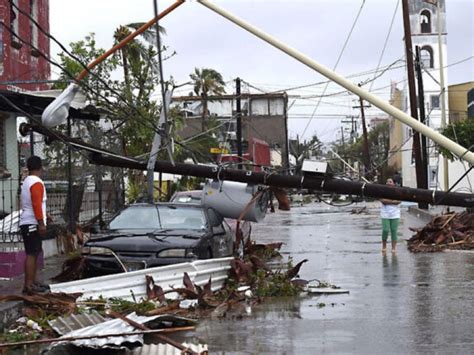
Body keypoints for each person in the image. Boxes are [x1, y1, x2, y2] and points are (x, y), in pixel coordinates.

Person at [19, 156, 50, 294]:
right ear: (40, 167)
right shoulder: (36, 182)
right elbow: (36, 203)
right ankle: (29, 285)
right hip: (32, 223)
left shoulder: (27, 181)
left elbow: (34, 203)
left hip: (28, 221)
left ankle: (33, 281)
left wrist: (45, 215)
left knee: (35, 252)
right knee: (32, 253)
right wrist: (41, 223)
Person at [380, 178, 401, 254]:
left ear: (393, 184)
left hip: (395, 214)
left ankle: (393, 248)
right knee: (385, 230)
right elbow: (383, 201)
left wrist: (389, 201)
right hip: (385, 214)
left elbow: (398, 201)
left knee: (394, 231)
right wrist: (392, 201)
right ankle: (384, 246)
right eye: (387, 181)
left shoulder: (397, 191)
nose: (388, 183)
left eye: (390, 182)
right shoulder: (383, 191)